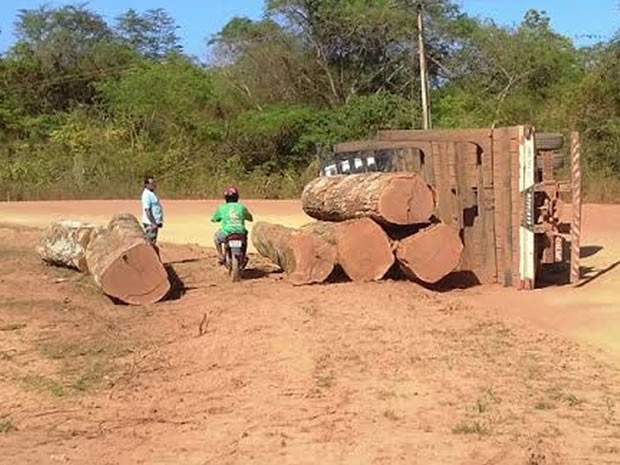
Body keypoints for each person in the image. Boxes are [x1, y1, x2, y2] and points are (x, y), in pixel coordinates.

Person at [211, 186, 253, 265]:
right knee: (245, 238)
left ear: (226, 198)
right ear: (237, 197)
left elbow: (214, 218)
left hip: (226, 233)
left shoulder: (221, 208)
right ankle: (243, 255)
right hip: (240, 233)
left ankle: (221, 256)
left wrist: (214, 220)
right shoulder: (242, 207)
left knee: (216, 238)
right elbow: (250, 218)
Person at [141, 176, 164, 247]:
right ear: (146, 185)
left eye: (154, 183)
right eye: (151, 183)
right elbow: (147, 210)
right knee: (150, 243)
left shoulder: (151, 193)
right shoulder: (146, 195)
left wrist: (159, 221)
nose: (154, 185)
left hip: (154, 222)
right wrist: (153, 223)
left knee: (153, 242)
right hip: (150, 223)